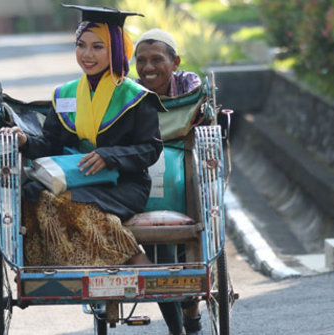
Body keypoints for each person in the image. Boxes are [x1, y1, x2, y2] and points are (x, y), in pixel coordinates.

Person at [0, 5, 163, 268]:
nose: (87, 55)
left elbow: (150, 150)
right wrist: (24, 141)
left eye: (98, 47)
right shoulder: (65, 95)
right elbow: (51, 145)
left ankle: (134, 259)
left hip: (123, 184)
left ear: (117, 50)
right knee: (30, 196)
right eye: (81, 45)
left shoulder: (136, 98)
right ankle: (122, 260)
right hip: (74, 177)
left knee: (61, 203)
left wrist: (109, 156)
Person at [135, 28, 205, 335]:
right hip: (147, 178)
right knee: (159, 254)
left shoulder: (189, 84)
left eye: (156, 59)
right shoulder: (131, 93)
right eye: (141, 61)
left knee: (187, 252)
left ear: (174, 61)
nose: (148, 68)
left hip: (184, 170)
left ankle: (191, 314)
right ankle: (180, 330)